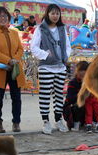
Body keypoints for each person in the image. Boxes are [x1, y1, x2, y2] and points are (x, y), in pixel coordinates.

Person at [30, 4, 72, 135]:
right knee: (45, 94)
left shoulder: (62, 28)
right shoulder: (40, 29)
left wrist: (65, 56)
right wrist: (46, 55)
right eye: (53, 13)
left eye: (57, 13)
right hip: (46, 66)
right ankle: (46, 121)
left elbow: (67, 46)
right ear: (47, 14)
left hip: (60, 66)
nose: (55, 16)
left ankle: (58, 119)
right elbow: (34, 47)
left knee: (59, 95)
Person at [0, 6, 26, 133]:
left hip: (14, 70)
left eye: (5, 16)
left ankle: (16, 122)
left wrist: (14, 59)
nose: (2, 18)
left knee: (16, 97)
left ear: (8, 18)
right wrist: (8, 60)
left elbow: (20, 49)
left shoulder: (14, 32)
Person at [63, 61, 88, 131]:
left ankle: (90, 122)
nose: (82, 77)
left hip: (85, 108)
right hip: (72, 109)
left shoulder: (90, 82)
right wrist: (82, 92)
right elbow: (70, 99)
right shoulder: (72, 82)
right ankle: (76, 123)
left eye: (84, 75)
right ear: (77, 72)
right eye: (81, 75)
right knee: (80, 103)